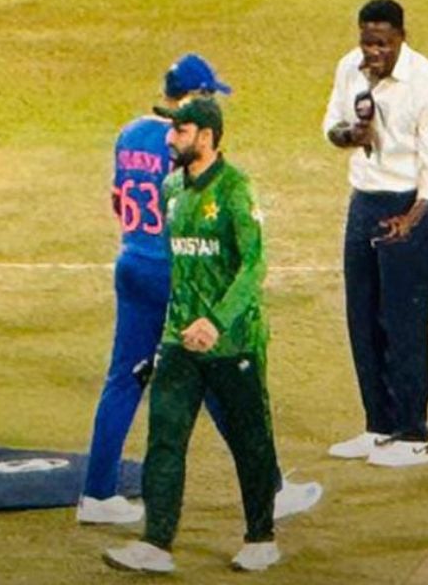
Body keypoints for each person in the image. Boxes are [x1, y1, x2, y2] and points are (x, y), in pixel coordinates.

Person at [79, 54, 319, 526]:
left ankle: (97, 494)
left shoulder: (129, 134)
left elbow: (117, 199)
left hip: (132, 263)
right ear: (194, 96)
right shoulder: (186, 144)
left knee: (123, 379)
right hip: (179, 276)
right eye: (209, 95)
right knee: (225, 385)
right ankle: (271, 492)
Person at [103, 98, 290, 573]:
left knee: (250, 441)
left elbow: (254, 266)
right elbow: (181, 266)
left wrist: (216, 321)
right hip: (179, 339)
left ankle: (261, 538)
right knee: (164, 438)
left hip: (233, 342)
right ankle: (156, 544)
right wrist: (175, 327)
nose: (170, 139)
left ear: (206, 137)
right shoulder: (171, 188)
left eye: (181, 131)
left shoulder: (236, 189)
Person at [322, 0, 428, 467]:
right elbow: (331, 125)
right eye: (366, 42)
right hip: (364, 201)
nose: (373, 52)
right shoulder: (349, 68)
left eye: (382, 44)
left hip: (410, 207)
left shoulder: (427, 85)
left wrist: (411, 221)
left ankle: (414, 435)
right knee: (362, 319)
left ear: (401, 37)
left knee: (404, 324)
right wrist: (349, 136)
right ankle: (378, 426)